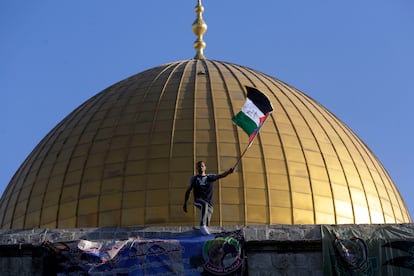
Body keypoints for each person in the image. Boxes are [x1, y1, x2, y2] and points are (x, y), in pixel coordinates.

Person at [183, 161, 234, 235]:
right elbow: (188, 191)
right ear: (196, 168)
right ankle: (202, 225)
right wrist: (185, 203)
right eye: (199, 166)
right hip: (198, 200)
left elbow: (221, 175)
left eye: (202, 166)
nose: (201, 167)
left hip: (209, 204)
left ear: (205, 168)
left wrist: (229, 172)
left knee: (207, 223)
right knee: (204, 205)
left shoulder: (210, 177)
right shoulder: (194, 178)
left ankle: (203, 231)